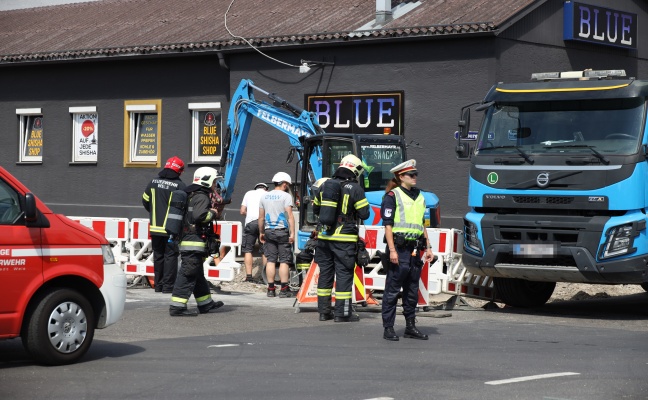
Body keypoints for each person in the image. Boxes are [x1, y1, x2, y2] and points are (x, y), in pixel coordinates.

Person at [380, 159, 434, 340]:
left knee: (412, 290)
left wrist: (428, 247)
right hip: (399, 250)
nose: (414, 177)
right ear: (401, 177)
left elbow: (422, 225)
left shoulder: (420, 196)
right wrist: (392, 250)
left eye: (415, 174)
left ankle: (410, 326)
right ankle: (389, 328)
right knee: (393, 290)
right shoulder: (392, 196)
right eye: (411, 175)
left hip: (414, 251)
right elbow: (388, 226)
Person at [313, 154, 369, 322]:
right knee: (344, 275)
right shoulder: (355, 189)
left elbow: (316, 210)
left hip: (324, 238)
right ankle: (342, 314)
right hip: (344, 241)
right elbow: (365, 214)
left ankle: (324, 312)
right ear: (355, 170)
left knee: (325, 275)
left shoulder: (324, 185)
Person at [169, 167, 225, 316]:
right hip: (193, 242)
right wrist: (212, 212)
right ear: (206, 180)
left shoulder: (192, 194)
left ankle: (205, 304)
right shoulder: (202, 196)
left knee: (197, 273)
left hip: (189, 240)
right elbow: (200, 217)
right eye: (214, 181)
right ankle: (177, 307)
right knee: (188, 273)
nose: (215, 185)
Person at [142, 156, 186, 293]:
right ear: (179, 171)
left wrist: (154, 213)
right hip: (171, 229)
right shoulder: (180, 185)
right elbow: (184, 207)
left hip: (155, 227)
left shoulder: (152, 182)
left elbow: (145, 201)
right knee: (171, 257)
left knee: (158, 256)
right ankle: (168, 287)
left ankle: (158, 285)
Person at [258, 172, 295, 298]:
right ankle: (284, 289)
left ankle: (271, 289)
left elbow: (261, 218)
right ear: (284, 184)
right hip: (282, 231)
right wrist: (292, 233)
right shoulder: (286, 196)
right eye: (287, 184)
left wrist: (261, 232)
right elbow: (290, 217)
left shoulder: (264, 196)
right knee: (284, 260)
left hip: (269, 231)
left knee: (271, 260)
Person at [240, 182, 269, 283]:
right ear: (265, 188)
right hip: (264, 223)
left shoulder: (248, 193)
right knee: (265, 250)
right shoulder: (267, 194)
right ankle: (265, 277)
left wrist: (251, 215)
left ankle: (249, 277)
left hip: (250, 223)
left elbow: (242, 211)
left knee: (248, 250)